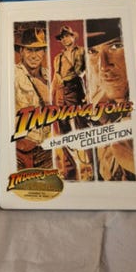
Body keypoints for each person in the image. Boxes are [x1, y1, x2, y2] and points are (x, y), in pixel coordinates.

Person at [86, 18, 136, 181]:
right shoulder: (98, 110)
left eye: (115, 46)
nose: (103, 65)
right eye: (92, 52)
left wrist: (134, 162)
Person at [51, 25, 92, 181]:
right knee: (63, 129)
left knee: (82, 125)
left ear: (73, 37)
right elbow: (56, 78)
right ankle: (71, 168)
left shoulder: (81, 51)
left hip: (76, 88)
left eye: (67, 35)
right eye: (62, 37)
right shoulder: (58, 58)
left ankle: (92, 164)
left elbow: (88, 71)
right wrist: (51, 96)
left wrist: (88, 92)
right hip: (61, 91)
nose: (64, 39)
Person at [14, 26, 52, 170]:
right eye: (30, 50)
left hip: (48, 150)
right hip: (22, 150)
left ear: (44, 52)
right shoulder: (13, 74)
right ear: (21, 51)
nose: (34, 55)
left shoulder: (50, 76)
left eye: (38, 50)